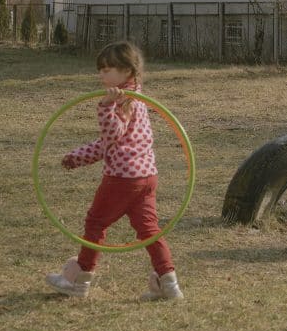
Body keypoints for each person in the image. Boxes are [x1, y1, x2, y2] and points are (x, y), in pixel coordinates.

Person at [45, 41, 183, 301]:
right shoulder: (135, 97)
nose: (101, 74)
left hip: (122, 178)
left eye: (107, 69)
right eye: (101, 69)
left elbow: (112, 134)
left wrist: (107, 106)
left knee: (95, 223)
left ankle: (80, 280)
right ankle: (169, 283)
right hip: (146, 176)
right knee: (149, 230)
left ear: (127, 72)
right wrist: (78, 157)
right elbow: (108, 144)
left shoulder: (121, 102)